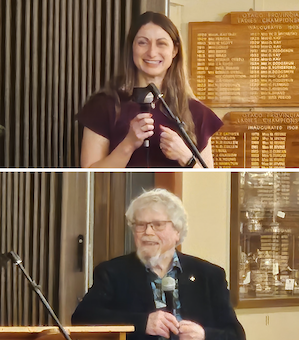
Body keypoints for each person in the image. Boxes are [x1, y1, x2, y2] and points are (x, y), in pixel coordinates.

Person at [72, 189, 246, 340]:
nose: (148, 232)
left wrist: (204, 335)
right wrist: (142, 323)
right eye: (140, 225)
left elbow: (235, 335)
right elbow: (82, 318)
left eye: (158, 225)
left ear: (177, 231)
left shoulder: (209, 275)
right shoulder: (113, 272)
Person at [77, 12, 223, 168]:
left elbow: (208, 174)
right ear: (131, 47)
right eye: (142, 43)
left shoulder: (197, 112)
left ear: (174, 51)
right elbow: (89, 172)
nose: (152, 52)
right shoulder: (103, 105)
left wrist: (186, 156)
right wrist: (128, 144)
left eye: (161, 43)